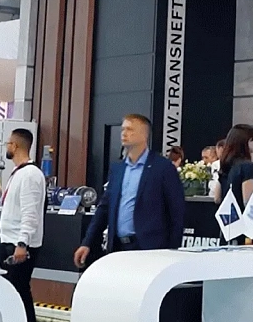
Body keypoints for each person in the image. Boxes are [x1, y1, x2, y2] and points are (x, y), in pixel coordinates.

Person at [74, 114, 184, 267]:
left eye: (130, 130)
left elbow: (177, 212)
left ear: (144, 135)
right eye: (123, 129)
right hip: (118, 247)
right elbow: (104, 209)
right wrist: (87, 243)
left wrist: (171, 251)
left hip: (150, 249)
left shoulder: (163, 168)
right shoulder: (118, 169)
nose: (124, 133)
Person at [0, 128, 45, 322]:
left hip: (20, 244)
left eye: (8, 143)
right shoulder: (18, 173)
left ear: (14, 146)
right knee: (15, 292)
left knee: (19, 292)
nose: (7, 147)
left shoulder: (30, 175)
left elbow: (30, 213)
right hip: (10, 240)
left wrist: (22, 243)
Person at [219, 124, 253, 211]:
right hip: (241, 216)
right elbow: (247, 201)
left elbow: (217, 198)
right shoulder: (248, 166)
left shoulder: (224, 165)